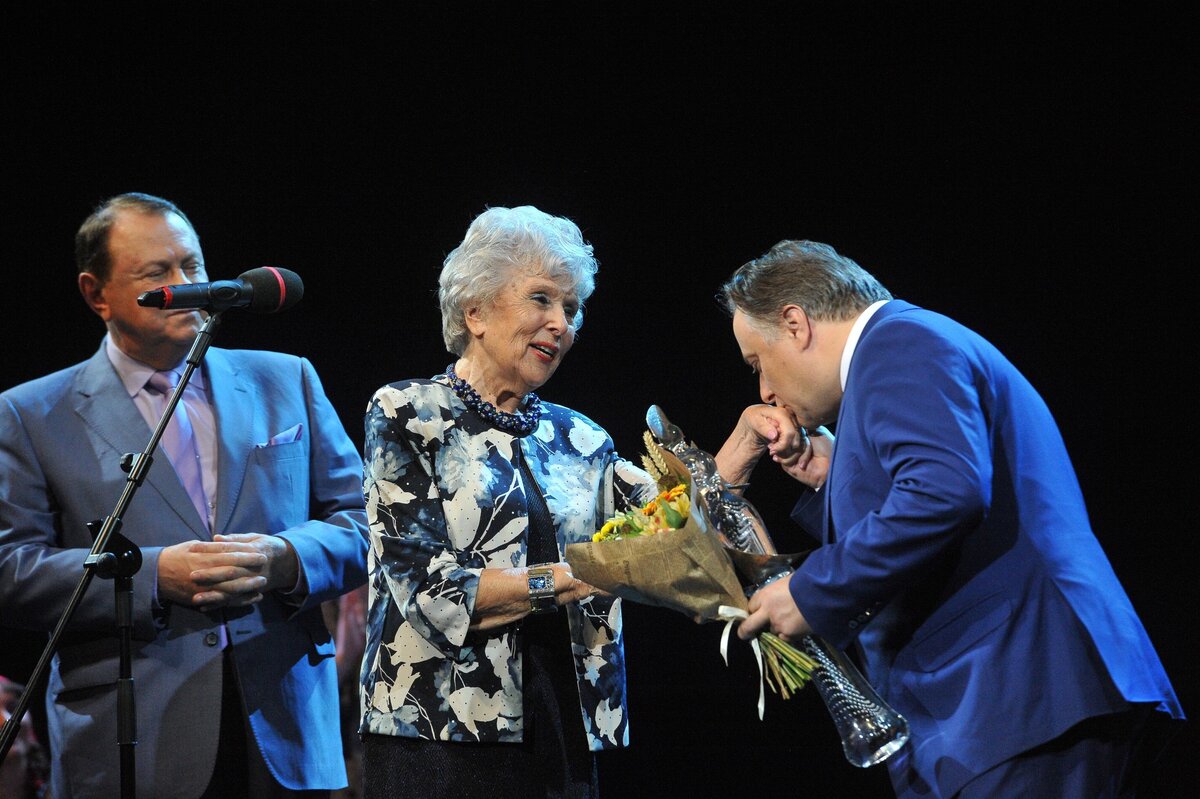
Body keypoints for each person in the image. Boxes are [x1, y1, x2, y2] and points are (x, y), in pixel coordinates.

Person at [714, 239, 1184, 798]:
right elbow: (943, 499)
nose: (764, 388)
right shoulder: (903, 350)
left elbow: (945, 493)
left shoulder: (897, 343)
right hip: (1006, 708)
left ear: (795, 324)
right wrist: (832, 482)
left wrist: (810, 590)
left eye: (756, 362)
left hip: (1017, 695)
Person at [0, 192, 369, 798]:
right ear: (97, 294)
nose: (187, 285)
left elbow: (366, 523)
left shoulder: (286, 378)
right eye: (158, 273)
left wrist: (284, 559)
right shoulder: (32, 413)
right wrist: (152, 576)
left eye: (192, 266)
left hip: (286, 726)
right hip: (131, 740)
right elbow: (13, 572)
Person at [359, 205, 655, 799]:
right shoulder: (409, 413)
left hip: (567, 719)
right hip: (438, 728)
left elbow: (665, 522)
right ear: (475, 312)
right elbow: (429, 591)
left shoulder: (582, 437)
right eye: (541, 299)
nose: (561, 324)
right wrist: (567, 579)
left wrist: (743, 450)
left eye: (572, 310)